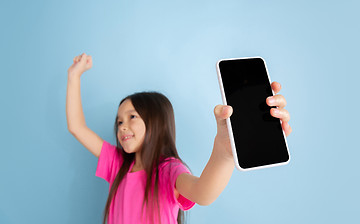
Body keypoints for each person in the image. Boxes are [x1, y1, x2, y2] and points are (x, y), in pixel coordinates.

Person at [66, 53, 292, 224]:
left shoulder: (168, 170)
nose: (122, 126)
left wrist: (224, 152)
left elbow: (202, 192)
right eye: (119, 122)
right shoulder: (117, 164)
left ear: (157, 122)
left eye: (131, 117)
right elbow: (77, 127)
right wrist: (74, 76)